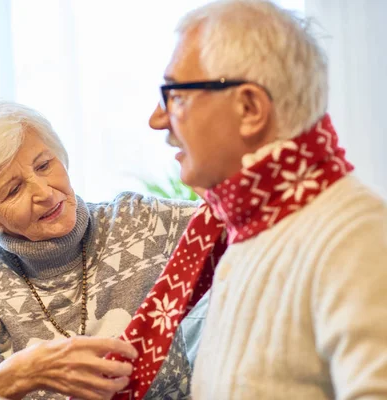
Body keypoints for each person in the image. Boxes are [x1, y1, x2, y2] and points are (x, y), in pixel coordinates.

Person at [145, 0, 387, 399]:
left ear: (249, 108)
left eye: (175, 95)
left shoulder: (354, 237)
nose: (158, 119)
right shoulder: (251, 232)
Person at [0, 100, 205, 400]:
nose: (45, 193)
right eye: (14, 189)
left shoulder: (138, 221)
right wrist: (9, 378)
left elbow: (243, 220)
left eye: (44, 165)